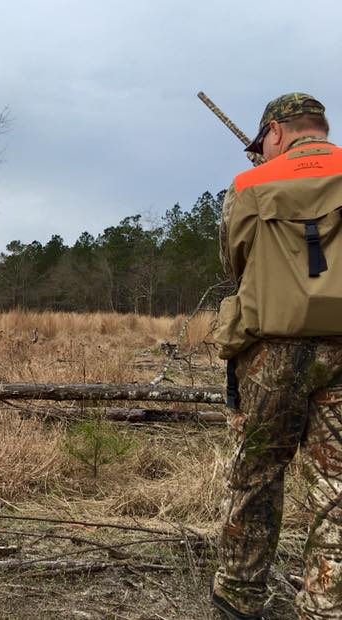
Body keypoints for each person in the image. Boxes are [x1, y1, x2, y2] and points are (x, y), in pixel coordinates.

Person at [212, 93, 342, 619]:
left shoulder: (248, 185)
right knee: (337, 487)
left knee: (257, 474)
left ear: (274, 133)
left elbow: (234, 261)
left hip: (272, 353)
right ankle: (324, 604)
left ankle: (239, 599)